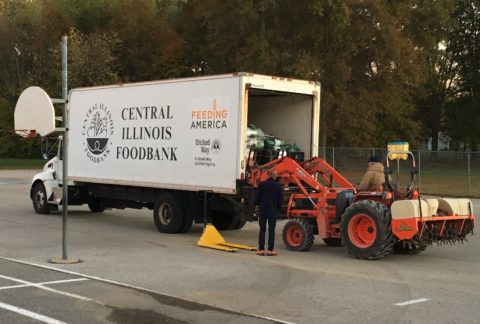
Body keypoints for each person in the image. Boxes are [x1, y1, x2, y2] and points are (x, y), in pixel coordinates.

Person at [329, 156, 385, 224]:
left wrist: (358, 187)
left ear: (371, 163)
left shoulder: (370, 173)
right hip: (376, 192)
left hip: (368, 194)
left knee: (344, 196)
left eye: (369, 163)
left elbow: (363, 187)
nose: (368, 164)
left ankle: (338, 218)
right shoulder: (381, 172)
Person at [255, 169, 283, 256]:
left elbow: (257, 198)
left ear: (268, 175)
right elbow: (280, 200)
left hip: (263, 210)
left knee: (262, 230)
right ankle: (270, 250)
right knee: (272, 230)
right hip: (273, 211)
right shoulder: (278, 186)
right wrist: (278, 209)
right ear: (275, 176)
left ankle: (261, 249)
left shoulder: (262, 184)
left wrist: (258, 205)